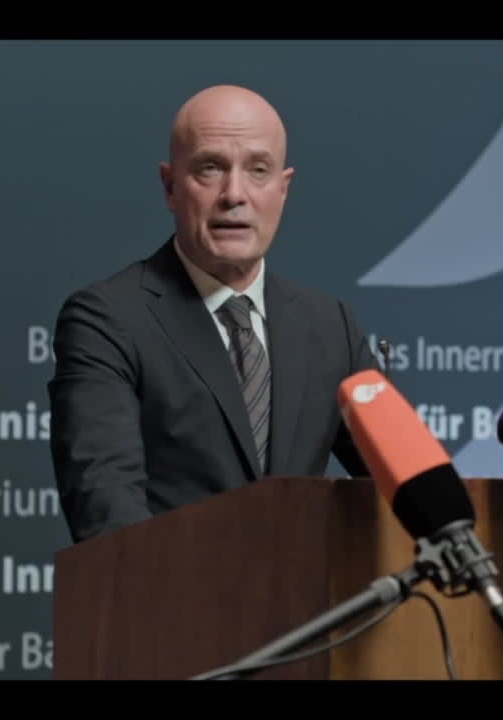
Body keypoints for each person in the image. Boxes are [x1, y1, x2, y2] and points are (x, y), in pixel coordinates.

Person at [47, 84, 379, 543]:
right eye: (210, 168)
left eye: (258, 170)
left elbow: (410, 490)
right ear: (170, 187)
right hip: (169, 587)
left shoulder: (330, 325)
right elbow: (108, 514)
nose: (234, 194)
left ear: (283, 189)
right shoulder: (107, 320)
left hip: (306, 587)